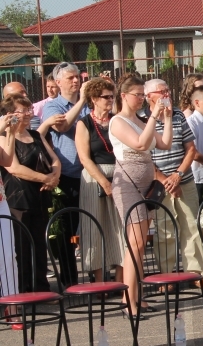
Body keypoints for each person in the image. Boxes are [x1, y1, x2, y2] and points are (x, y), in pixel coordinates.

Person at [110, 73, 172, 319]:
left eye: (142, 95)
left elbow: (164, 144)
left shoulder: (139, 118)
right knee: (134, 244)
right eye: (137, 95)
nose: (140, 99)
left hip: (146, 182)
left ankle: (137, 296)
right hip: (128, 184)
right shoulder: (118, 121)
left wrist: (165, 118)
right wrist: (155, 116)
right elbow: (139, 143)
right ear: (124, 96)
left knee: (140, 243)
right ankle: (128, 300)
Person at [143, 79, 203, 286]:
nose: (166, 94)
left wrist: (178, 175)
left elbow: (190, 149)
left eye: (167, 90)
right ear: (148, 97)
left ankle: (197, 274)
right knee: (165, 230)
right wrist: (164, 180)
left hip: (184, 180)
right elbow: (145, 157)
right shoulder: (143, 119)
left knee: (191, 226)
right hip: (159, 184)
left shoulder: (178, 115)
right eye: (161, 91)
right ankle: (166, 276)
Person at [0, 94, 61, 294]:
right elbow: (13, 167)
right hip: (18, 196)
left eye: (29, 110)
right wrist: (45, 179)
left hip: (39, 195)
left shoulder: (35, 135)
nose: (28, 114)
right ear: (10, 114)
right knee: (21, 247)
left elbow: (54, 159)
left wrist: (55, 175)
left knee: (39, 244)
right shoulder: (4, 137)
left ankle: (41, 288)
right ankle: (23, 290)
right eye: (23, 110)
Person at [42, 62, 91, 287]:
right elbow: (61, 128)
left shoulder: (90, 104)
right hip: (68, 175)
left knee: (92, 226)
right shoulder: (53, 108)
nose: (75, 81)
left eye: (77, 77)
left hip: (91, 174)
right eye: (70, 78)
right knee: (67, 231)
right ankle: (69, 279)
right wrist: (81, 100)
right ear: (58, 82)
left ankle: (96, 275)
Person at [74, 78, 125, 283]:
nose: (110, 100)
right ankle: (100, 282)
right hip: (95, 177)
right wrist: (104, 182)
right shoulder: (84, 123)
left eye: (112, 97)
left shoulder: (116, 120)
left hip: (120, 175)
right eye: (106, 97)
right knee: (95, 227)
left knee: (120, 228)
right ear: (94, 99)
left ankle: (121, 280)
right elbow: (84, 157)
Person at [0, 111, 20, 328]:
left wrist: (11, 133)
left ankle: (12, 307)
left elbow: (5, 159)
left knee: (8, 255)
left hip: (0, 200)